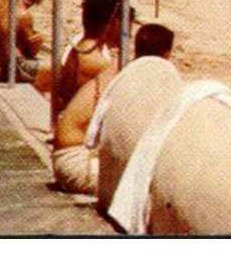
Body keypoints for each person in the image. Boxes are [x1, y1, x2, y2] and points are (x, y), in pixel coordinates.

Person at [53, 23, 174, 195]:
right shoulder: (134, 78)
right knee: (151, 187)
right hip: (76, 162)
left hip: (69, 155)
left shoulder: (122, 66)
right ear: (166, 54)